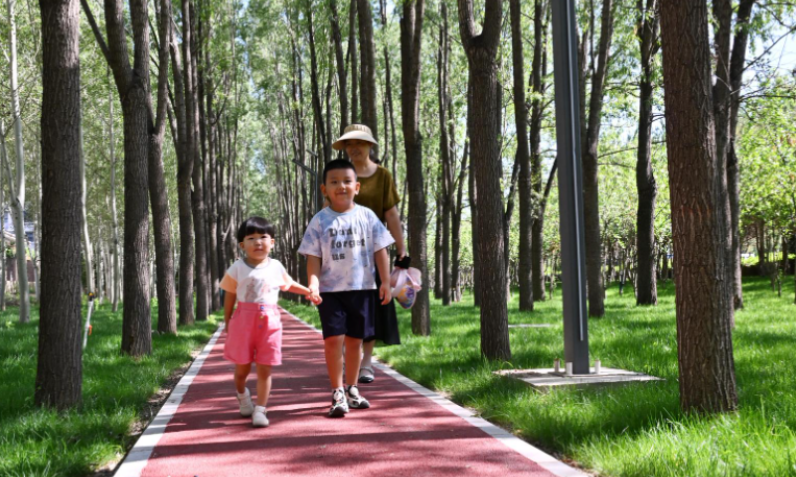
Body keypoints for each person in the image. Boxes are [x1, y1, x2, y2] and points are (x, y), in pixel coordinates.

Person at [298, 159, 394, 417]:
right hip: (330, 292)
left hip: (362, 289)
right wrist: (313, 283)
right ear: (324, 189)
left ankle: (352, 389)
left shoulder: (367, 216)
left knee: (355, 342)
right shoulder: (319, 221)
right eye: (334, 182)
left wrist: (385, 281)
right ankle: (337, 391)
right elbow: (313, 257)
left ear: (357, 187)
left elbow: (381, 250)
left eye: (347, 181)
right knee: (333, 340)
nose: (341, 186)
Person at [221, 217, 321, 428]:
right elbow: (230, 295)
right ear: (242, 245)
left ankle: (260, 409)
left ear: (272, 243)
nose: (258, 242)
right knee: (242, 371)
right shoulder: (237, 268)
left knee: (265, 369)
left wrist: (309, 292)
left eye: (263, 237)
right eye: (251, 238)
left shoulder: (276, 266)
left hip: (270, 325)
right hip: (243, 323)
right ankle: (242, 396)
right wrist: (227, 320)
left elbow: (289, 284)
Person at [331, 123, 407, 384]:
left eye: (359, 143)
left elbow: (391, 214)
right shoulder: (340, 174)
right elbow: (328, 210)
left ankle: (366, 363)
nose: (354, 148)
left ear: (369, 146)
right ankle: (347, 355)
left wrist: (402, 249)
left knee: (371, 307)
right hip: (342, 251)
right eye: (349, 144)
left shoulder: (382, 175)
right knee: (344, 307)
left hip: (374, 251)